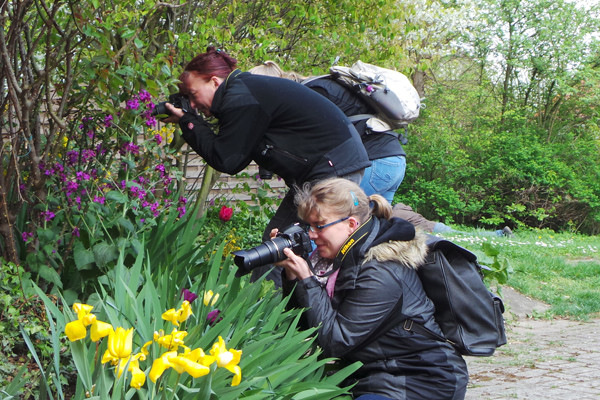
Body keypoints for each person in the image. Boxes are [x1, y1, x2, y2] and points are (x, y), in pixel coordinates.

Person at [162, 47, 371, 286]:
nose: (193, 103)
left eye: (192, 93)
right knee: (279, 242)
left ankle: (271, 313)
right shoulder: (245, 92)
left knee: (284, 245)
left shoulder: (241, 96)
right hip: (329, 165)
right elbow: (230, 153)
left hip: (333, 167)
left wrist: (188, 122)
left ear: (214, 81)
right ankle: (280, 310)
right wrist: (191, 122)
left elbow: (227, 160)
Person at [274, 178, 468, 400]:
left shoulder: (380, 272)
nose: (311, 234)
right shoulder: (336, 261)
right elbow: (302, 326)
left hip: (419, 379)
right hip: (372, 376)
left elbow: (335, 342)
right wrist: (292, 276)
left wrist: (307, 279)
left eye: (319, 226)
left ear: (351, 225)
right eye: (309, 226)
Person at [249, 61, 407, 204]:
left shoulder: (311, 93)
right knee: (368, 229)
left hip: (372, 162)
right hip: (392, 160)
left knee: (324, 222)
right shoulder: (317, 86)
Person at [392, 203, 514, 236]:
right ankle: (499, 233)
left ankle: (499, 234)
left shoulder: (393, 216)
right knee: (467, 234)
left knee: (468, 235)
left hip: (434, 230)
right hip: (436, 225)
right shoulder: (401, 210)